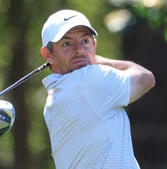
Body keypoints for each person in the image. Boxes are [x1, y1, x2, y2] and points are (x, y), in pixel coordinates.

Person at [40, 9, 155, 169]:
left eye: (85, 41)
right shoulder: (91, 78)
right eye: (66, 43)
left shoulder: (52, 99)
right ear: (48, 54)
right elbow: (146, 78)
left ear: (94, 44)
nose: (78, 49)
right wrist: (104, 61)